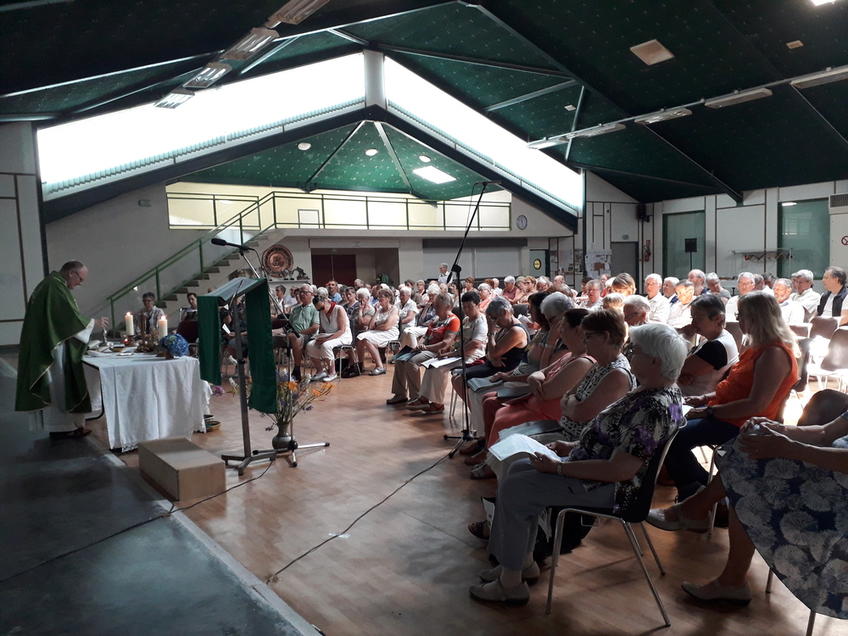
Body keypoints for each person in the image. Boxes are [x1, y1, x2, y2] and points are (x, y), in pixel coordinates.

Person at [468, 323, 687, 605]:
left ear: (654, 361)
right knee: (518, 467)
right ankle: (522, 563)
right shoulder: (653, 392)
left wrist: (559, 467)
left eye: (636, 350)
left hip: (616, 489)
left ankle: (510, 583)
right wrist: (571, 447)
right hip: (595, 469)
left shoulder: (653, 407)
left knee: (517, 487)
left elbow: (621, 470)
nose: (630, 352)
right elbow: (614, 442)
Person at [647, 402, 848, 615]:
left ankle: (695, 512)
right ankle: (700, 517)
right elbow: (825, 432)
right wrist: (780, 430)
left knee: (747, 474)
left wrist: (793, 448)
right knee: (753, 442)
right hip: (824, 479)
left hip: (838, 502)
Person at [663, 292, 798, 500]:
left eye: (742, 315)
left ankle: (698, 494)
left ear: (758, 318)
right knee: (666, 423)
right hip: (724, 413)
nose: (738, 320)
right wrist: (703, 398)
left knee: (671, 435)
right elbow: (733, 387)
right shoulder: (756, 347)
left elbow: (755, 405)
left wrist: (707, 411)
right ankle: (698, 491)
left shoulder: (774, 353)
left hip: (740, 423)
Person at [16, 261, 107, 439]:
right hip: (52, 346)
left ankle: (70, 425)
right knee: (58, 385)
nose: (79, 283)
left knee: (61, 384)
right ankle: (61, 428)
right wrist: (93, 323)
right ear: (71, 273)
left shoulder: (54, 284)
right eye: (80, 279)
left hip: (52, 341)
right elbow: (67, 317)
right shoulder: (54, 286)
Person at [408, 291, 488, 414]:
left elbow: (475, 344)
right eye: (464, 307)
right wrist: (446, 349)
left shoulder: (481, 321)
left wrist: (451, 354)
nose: (466, 310)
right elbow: (455, 338)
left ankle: (437, 404)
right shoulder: (466, 319)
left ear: (478, 305)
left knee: (438, 369)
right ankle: (424, 398)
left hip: (472, 357)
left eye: (469, 307)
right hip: (459, 354)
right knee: (432, 364)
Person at [387, 293, 459, 405]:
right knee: (400, 357)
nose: (435, 309)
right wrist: (418, 346)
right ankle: (400, 394)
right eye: (435, 306)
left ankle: (416, 395)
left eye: (438, 306)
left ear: (448, 307)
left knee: (411, 362)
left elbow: (446, 343)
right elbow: (426, 336)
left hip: (438, 351)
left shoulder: (454, 320)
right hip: (426, 348)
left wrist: (425, 347)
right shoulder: (436, 319)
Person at [677, 294, 739, 396]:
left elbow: (669, 370)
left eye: (698, 318)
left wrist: (685, 337)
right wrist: (679, 376)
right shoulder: (713, 338)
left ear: (718, 319)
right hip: (685, 396)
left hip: (693, 403)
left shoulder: (717, 346)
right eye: (692, 317)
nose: (693, 323)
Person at [354, 289, 399, 376]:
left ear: (388, 298)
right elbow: (371, 326)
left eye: (381, 297)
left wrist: (376, 327)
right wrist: (376, 311)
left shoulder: (394, 309)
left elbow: (387, 326)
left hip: (390, 332)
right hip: (378, 331)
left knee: (367, 339)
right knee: (360, 337)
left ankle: (380, 366)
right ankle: (360, 364)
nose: (379, 299)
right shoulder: (379, 310)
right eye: (378, 298)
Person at [286, 284, 320, 381]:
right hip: (291, 335)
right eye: (300, 292)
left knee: (295, 337)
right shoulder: (295, 309)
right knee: (273, 336)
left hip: (307, 336)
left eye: (305, 292)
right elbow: (289, 325)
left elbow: (315, 327)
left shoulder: (315, 309)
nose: (302, 294)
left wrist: (298, 333)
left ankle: (297, 370)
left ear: (311, 294)